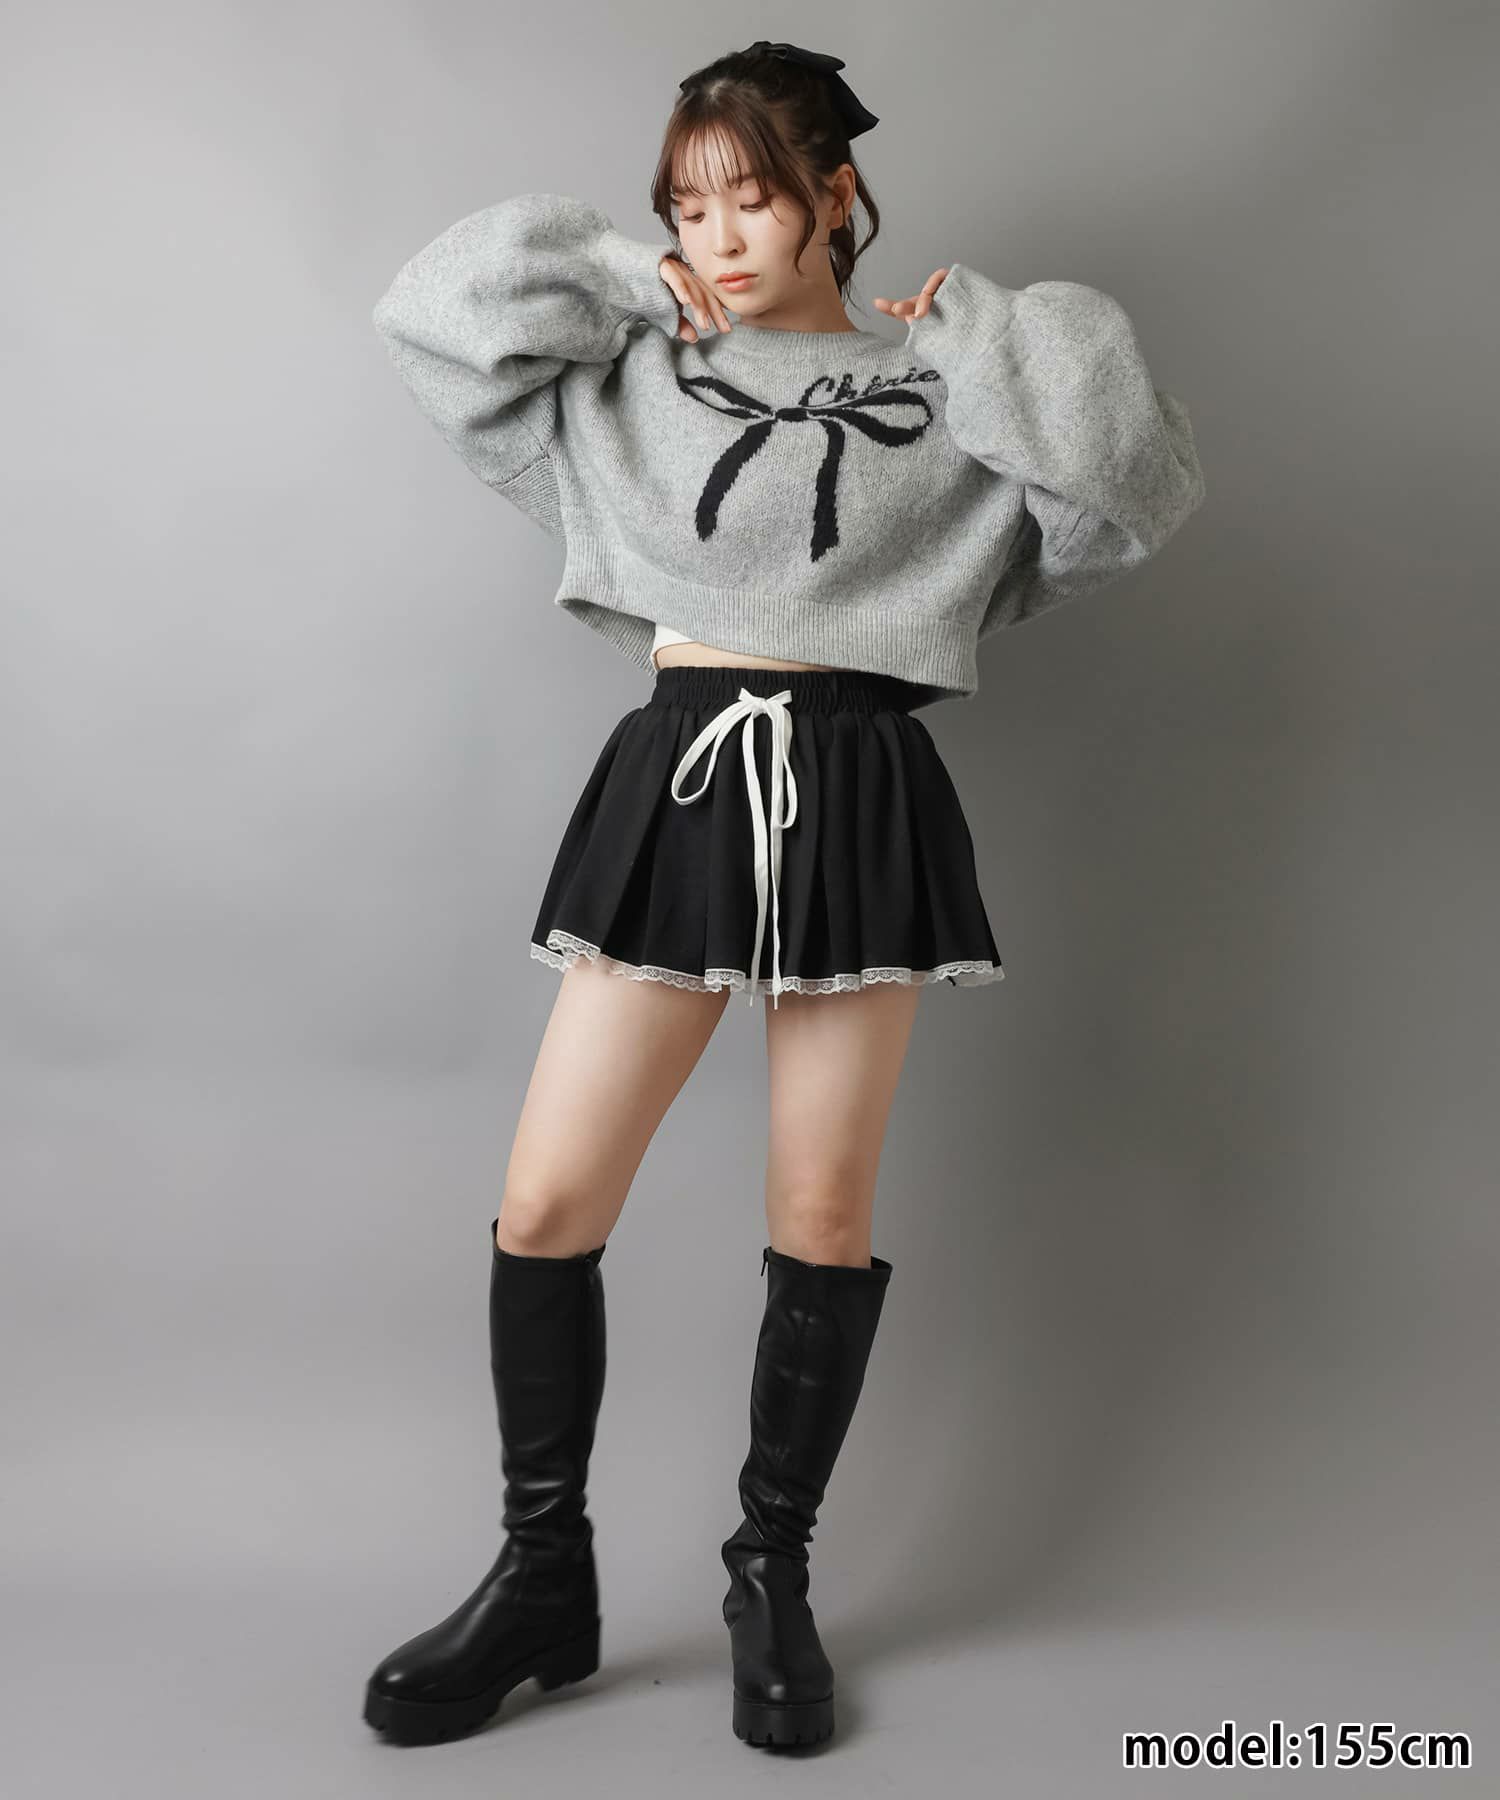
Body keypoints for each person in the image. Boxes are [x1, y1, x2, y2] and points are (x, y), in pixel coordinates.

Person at [360, 38, 1206, 1751]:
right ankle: (542, 1575)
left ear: (836, 193)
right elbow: (430, 315)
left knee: (821, 1211)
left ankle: (773, 1572)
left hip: (860, 786)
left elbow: (1131, 485)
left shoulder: (947, 391)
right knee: (548, 1199)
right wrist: (623, 271)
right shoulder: (632, 373)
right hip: (681, 776)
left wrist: (980, 336)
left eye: (750, 197)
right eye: (689, 204)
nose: (720, 235)